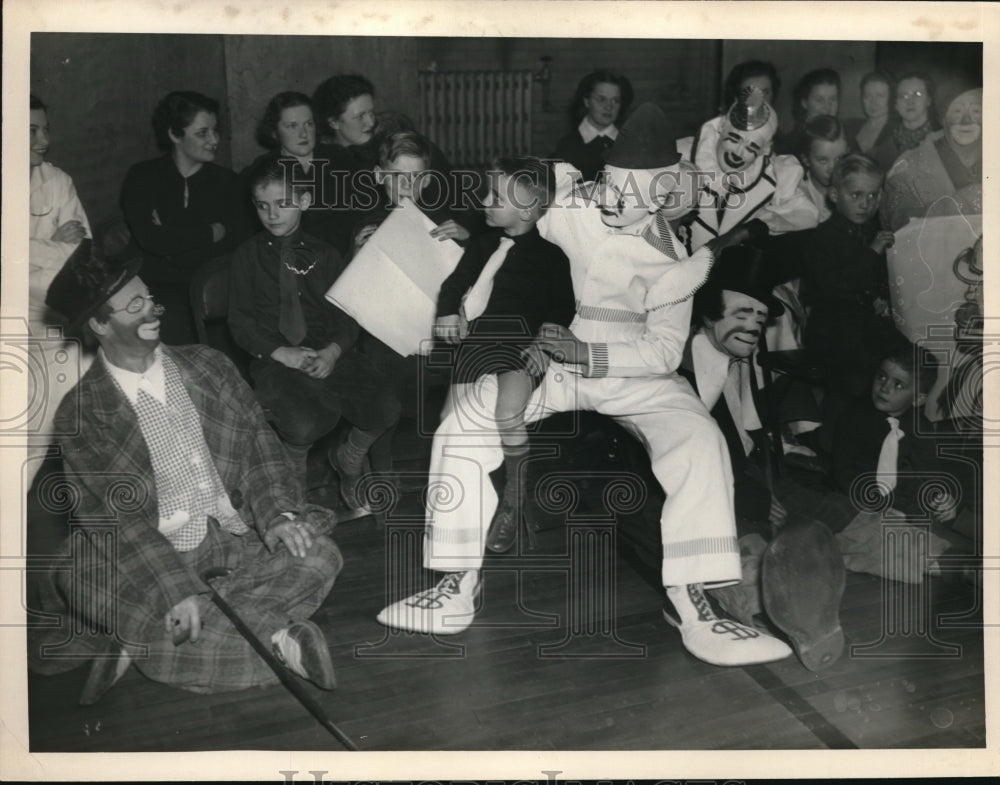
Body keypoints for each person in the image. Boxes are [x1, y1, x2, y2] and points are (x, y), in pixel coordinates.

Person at [377, 103, 793, 668]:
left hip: (633, 371)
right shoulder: (577, 208)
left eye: (632, 193)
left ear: (663, 193)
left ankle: (694, 604)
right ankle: (456, 582)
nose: (615, 202)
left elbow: (665, 351)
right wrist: (491, 209)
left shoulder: (677, 260)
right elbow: (520, 193)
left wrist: (593, 353)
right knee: (464, 420)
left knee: (698, 437)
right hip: (557, 358)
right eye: (611, 187)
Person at [28, 242, 343, 704]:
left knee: (322, 554)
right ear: (99, 324)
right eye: (134, 306)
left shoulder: (208, 364)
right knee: (80, 572)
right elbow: (117, 521)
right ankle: (277, 641)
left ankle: (144, 639)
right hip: (152, 554)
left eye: (150, 296)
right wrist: (174, 588)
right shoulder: (83, 411)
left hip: (235, 536)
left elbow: (259, 447)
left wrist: (275, 514)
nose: (154, 309)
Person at [227, 157, 401, 505]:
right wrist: (282, 354)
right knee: (305, 422)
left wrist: (333, 351)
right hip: (275, 359)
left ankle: (349, 456)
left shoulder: (326, 254)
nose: (272, 214)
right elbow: (240, 322)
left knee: (386, 407)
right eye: (262, 206)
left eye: (282, 204)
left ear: (304, 202)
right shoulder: (247, 257)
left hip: (327, 352)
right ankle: (294, 481)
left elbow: (348, 315)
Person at [433, 156, 576, 553]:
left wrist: (544, 348)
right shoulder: (481, 243)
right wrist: (447, 311)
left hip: (521, 345)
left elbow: (562, 310)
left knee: (507, 414)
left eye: (496, 195)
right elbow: (456, 283)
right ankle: (467, 504)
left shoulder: (551, 257)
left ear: (529, 209)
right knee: (449, 421)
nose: (485, 200)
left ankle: (513, 494)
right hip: (479, 343)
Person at [121, 91, 250, 345]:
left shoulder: (229, 183)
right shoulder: (142, 177)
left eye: (215, 130)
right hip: (149, 287)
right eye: (202, 133)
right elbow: (150, 239)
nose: (214, 140)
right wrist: (209, 233)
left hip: (203, 290)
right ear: (174, 135)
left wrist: (170, 241)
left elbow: (232, 245)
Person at [26, 94, 93, 493]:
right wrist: (51, 241)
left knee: (79, 366)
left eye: (46, 128)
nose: (44, 139)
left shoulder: (57, 181)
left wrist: (26, 246)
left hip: (50, 307)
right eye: (31, 131)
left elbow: (79, 255)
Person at [677, 84, 819, 254]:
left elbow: (808, 213)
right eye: (734, 138)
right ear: (721, 127)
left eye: (751, 147)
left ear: (765, 149)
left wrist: (747, 231)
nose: (738, 152)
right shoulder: (680, 155)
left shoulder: (775, 175)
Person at [880, 79, 982, 231]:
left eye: (976, 111)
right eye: (957, 111)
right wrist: (965, 201)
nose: (966, 120)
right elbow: (896, 223)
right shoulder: (908, 167)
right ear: (942, 119)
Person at [310, 74, 380, 256]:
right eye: (360, 117)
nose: (371, 122)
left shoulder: (381, 149)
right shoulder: (323, 168)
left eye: (372, 113)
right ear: (333, 122)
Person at [549, 69, 634, 182]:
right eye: (601, 99)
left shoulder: (629, 145)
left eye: (615, 100)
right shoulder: (566, 146)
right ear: (587, 101)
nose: (609, 107)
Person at [870, 72, 937, 175]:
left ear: (929, 100)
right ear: (896, 104)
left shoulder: (941, 140)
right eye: (904, 95)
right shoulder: (884, 146)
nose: (910, 101)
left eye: (917, 94)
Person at [774, 68, 841, 155]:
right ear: (804, 103)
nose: (827, 107)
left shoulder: (845, 136)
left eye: (833, 99)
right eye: (819, 100)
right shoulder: (790, 145)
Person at [797, 114, 850, 222]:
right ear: (806, 159)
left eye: (840, 158)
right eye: (823, 160)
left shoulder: (854, 192)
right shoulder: (796, 198)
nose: (833, 168)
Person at [843, 71, 894, 154]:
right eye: (867, 96)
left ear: (890, 98)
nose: (873, 102)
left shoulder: (897, 132)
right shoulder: (850, 127)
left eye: (880, 96)